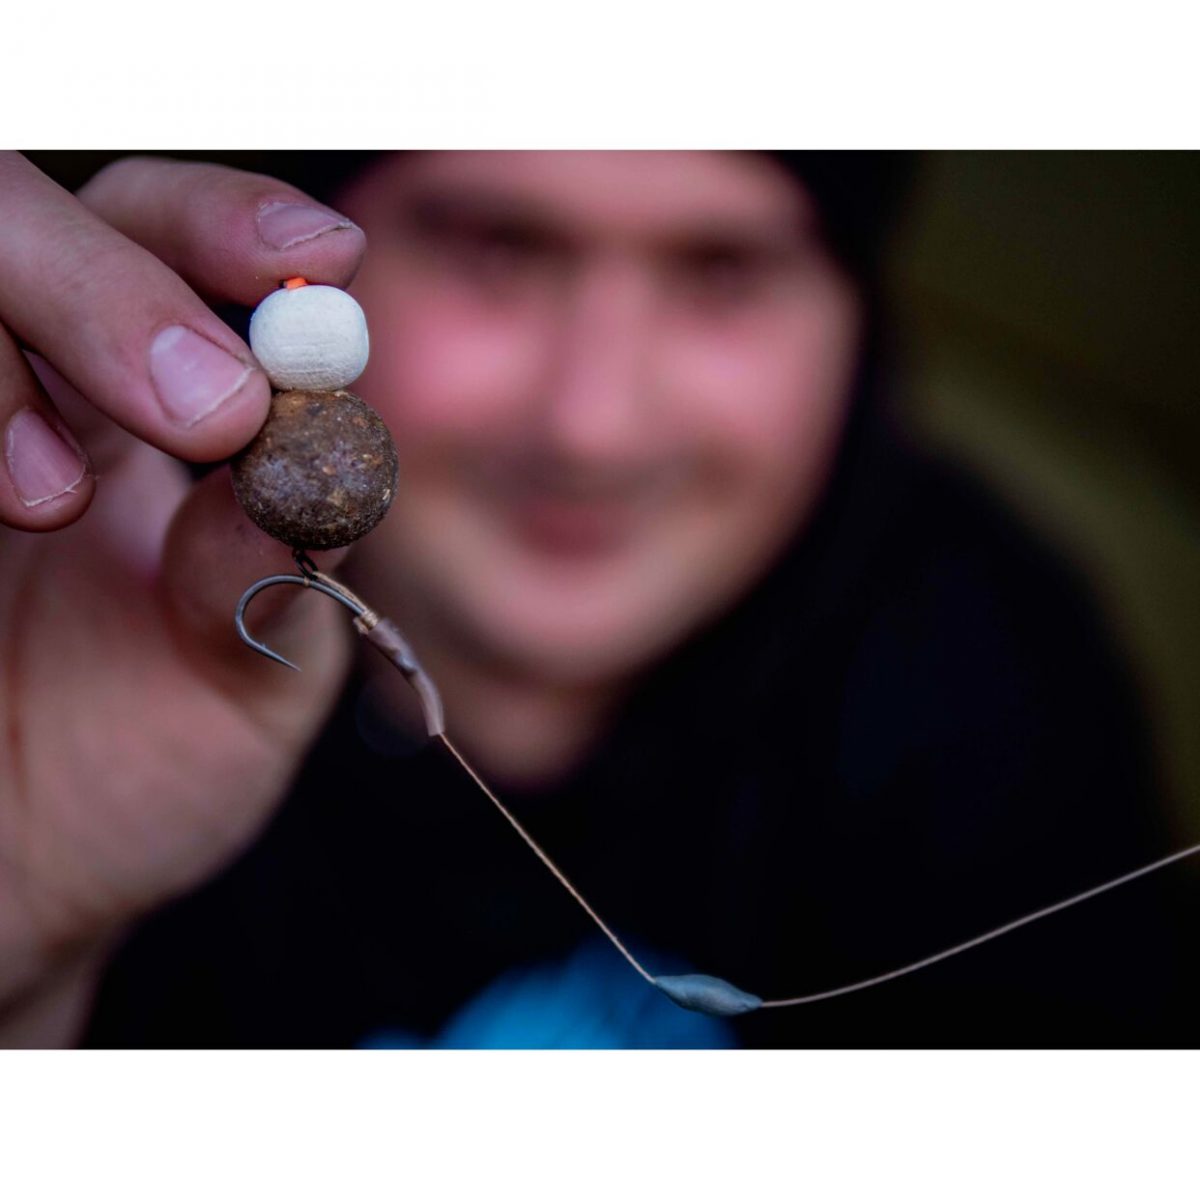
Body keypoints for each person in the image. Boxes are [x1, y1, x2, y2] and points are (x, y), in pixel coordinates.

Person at [0, 151, 1191, 1048]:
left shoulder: (997, 677)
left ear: (858, 319)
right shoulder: (69, 608)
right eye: (497, 247)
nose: (594, 426)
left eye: (723, 270)